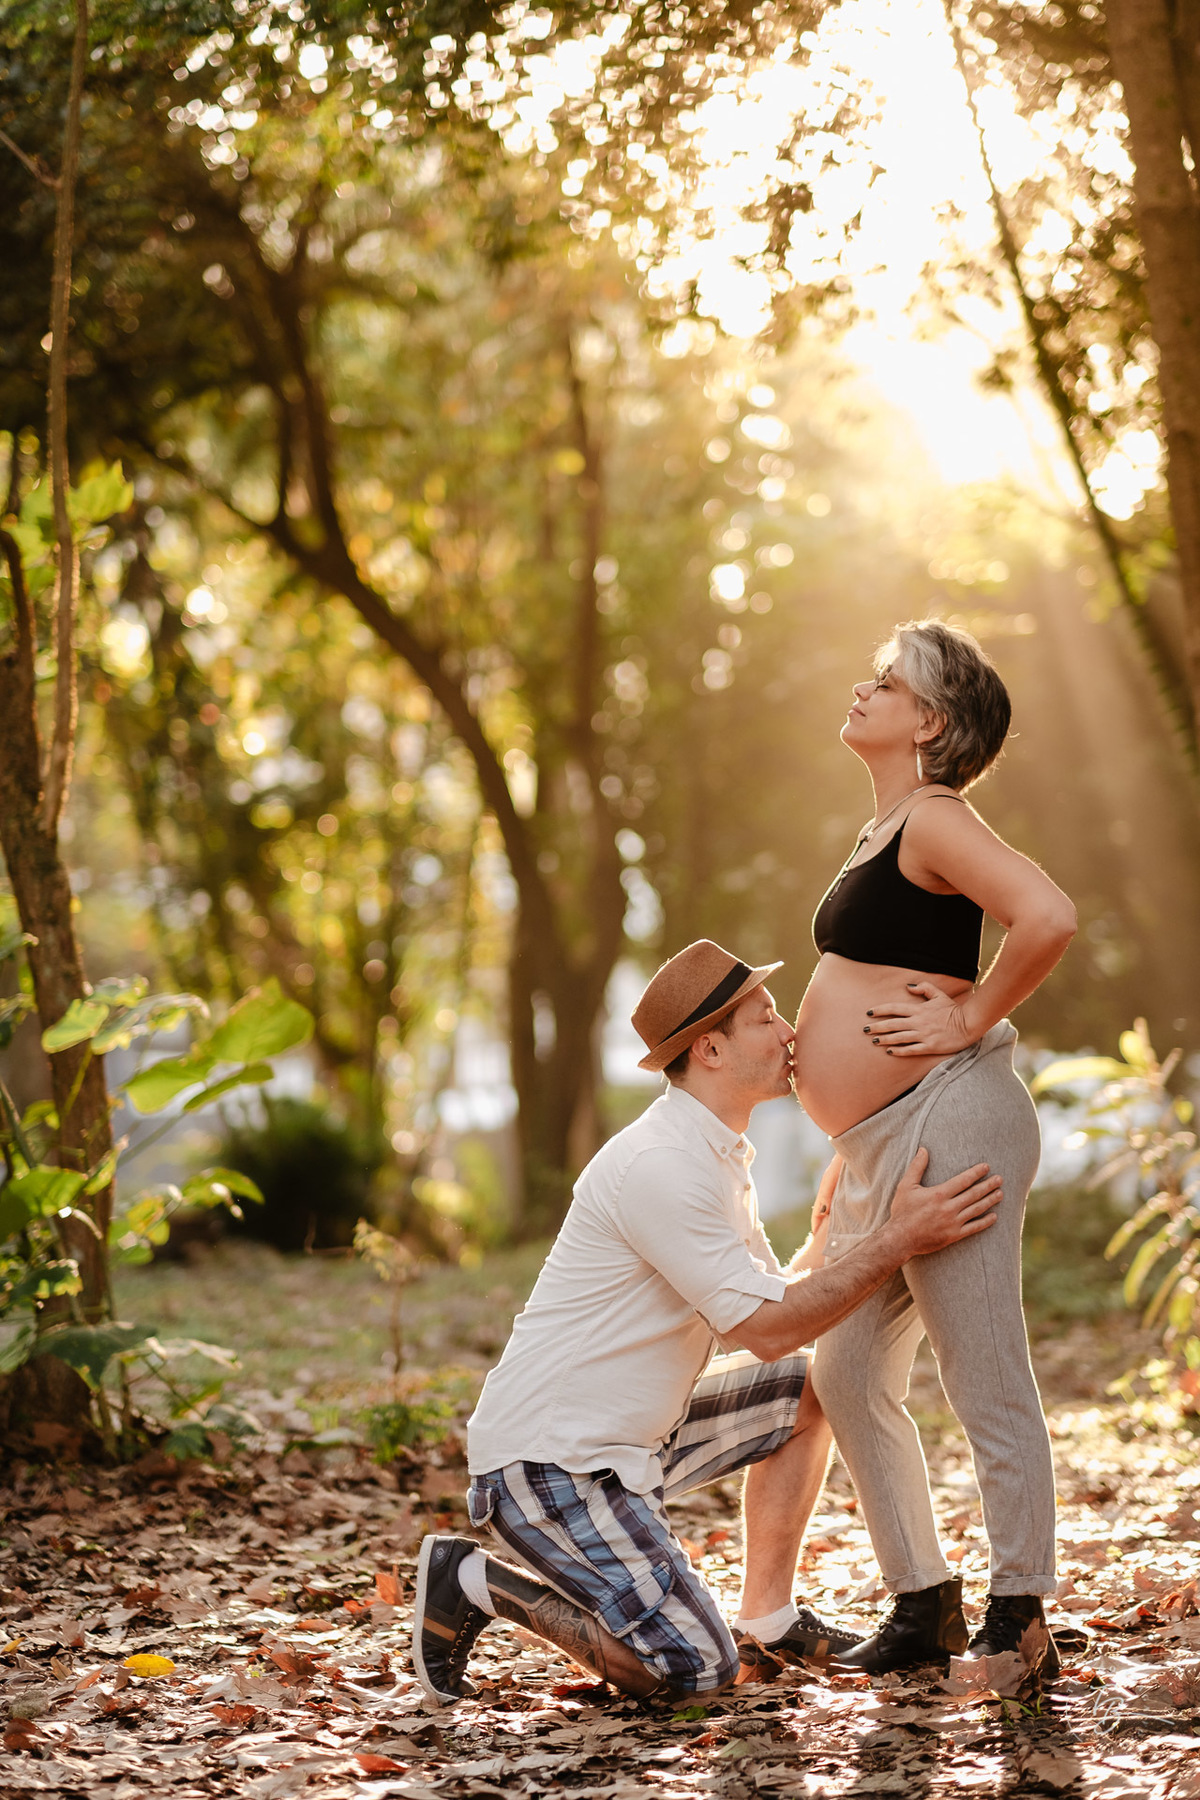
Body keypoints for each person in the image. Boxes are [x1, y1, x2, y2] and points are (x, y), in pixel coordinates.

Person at [410, 939, 1004, 1705]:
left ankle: (770, 1615)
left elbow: (767, 1305)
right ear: (712, 1048)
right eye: (767, 1019)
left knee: (812, 1386)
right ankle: (473, 1580)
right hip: (551, 1466)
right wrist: (898, 1240)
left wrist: (839, 1217)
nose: (791, 1033)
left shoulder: (716, 1156)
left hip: (637, 1440)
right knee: (693, 1671)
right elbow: (768, 1328)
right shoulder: (662, 1166)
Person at [792, 619, 1077, 1679]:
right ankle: (924, 1603)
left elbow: (1045, 916)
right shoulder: (887, 827)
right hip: (884, 1143)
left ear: (932, 721)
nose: (864, 691)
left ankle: (1022, 1612)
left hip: (954, 1113)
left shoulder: (939, 819)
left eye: (888, 682)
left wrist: (969, 1019)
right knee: (849, 1364)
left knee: (979, 1362)